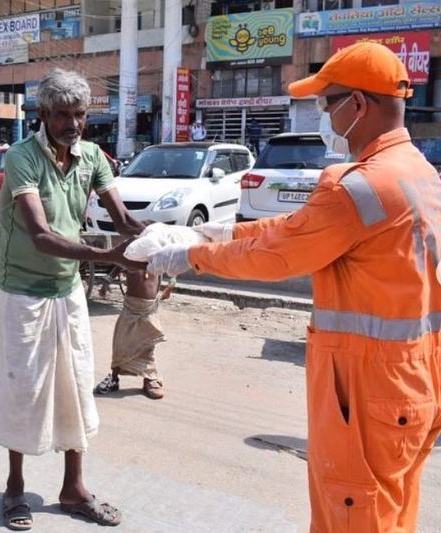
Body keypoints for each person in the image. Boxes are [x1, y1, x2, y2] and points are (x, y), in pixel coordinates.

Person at [146, 42, 441, 532]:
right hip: (413, 380)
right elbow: (302, 231)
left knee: (354, 517)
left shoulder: (358, 186)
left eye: (328, 103)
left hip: (366, 389)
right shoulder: (419, 172)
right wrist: (222, 232)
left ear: (359, 105)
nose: (324, 115)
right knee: (391, 512)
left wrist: (189, 256)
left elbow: (280, 254)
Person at [0, 68, 145, 530]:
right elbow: (40, 234)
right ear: (44, 114)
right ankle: (15, 487)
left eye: (79, 114)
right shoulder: (22, 157)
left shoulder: (93, 156)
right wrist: (109, 257)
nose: (73, 124)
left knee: (76, 388)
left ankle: (73, 487)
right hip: (23, 291)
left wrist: (166, 245)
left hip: (67, 290)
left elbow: (121, 218)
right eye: (63, 115)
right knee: (24, 390)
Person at [94, 271, 167, 400]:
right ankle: (114, 379)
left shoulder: (155, 255)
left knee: (147, 345)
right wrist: (106, 283)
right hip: (131, 308)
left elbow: (171, 264)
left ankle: (149, 378)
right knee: (121, 344)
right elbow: (117, 264)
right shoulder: (130, 253)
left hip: (149, 308)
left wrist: (171, 284)